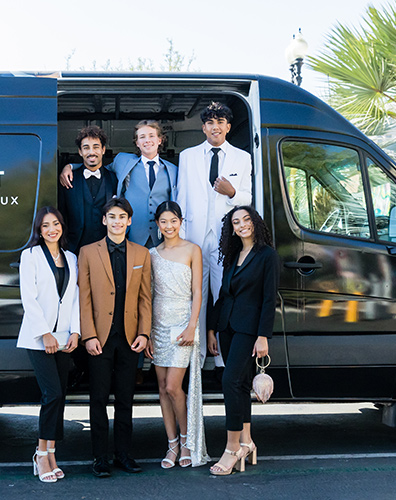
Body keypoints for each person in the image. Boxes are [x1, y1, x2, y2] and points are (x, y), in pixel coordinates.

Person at [78, 197, 152, 477]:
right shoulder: (87, 252)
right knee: (98, 398)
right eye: (112, 216)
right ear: (104, 220)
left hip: (130, 338)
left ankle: (123, 454)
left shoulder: (141, 254)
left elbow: (146, 298)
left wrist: (144, 333)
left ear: (129, 221)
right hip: (99, 338)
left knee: (125, 399)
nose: (117, 221)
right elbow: (83, 298)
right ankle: (100, 457)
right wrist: (88, 335)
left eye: (122, 217)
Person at [175, 102, 253, 367]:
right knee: (194, 294)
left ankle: (221, 361)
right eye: (210, 122)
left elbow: (248, 199)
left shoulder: (242, 158)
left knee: (222, 294)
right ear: (203, 127)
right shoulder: (188, 156)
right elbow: (181, 197)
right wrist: (182, 238)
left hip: (225, 238)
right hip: (195, 237)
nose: (215, 127)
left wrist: (232, 192)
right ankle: (194, 357)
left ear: (228, 127)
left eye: (220, 122)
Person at [207, 206, 278, 476]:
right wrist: (213, 328)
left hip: (250, 330)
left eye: (246, 219)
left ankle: (231, 448)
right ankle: (248, 442)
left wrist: (263, 336)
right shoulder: (233, 255)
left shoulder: (267, 256)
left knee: (229, 381)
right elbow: (223, 294)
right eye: (236, 222)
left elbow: (269, 299)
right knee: (240, 385)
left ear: (255, 222)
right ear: (232, 228)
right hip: (227, 327)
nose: (242, 225)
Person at [17, 206, 80, 483]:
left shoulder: (71, 257)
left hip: (65, 337)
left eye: (56, 224)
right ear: (39, 231)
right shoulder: (29, 256)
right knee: (51, 394)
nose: (52, 229)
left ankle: (51, 453)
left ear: (62, 226)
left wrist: (76, 332)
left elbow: (74, 297)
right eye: (45, 226)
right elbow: (28, 298)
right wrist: (45, 333)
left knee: (60, 397)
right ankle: (41, 455)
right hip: (38, 338)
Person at [146, 201, 209, 468]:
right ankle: (171, 445)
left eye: (173, 221)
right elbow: (148, 295)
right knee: (162, 389)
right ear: (157, 224)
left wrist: (192, 325)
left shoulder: (192, 249)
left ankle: (187, 441)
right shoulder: (151, 253)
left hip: (183, 324)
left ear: (181, 222)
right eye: (164, 221)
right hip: (158, 325)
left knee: (174, 386)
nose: (169, 226)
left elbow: (198, 292)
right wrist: (146, 332)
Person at [61, 120, 177, 248]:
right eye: (142, 137)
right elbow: (96, 166)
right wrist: (70, 166)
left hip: (162, 237)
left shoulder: (173, 170)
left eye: (151, 136)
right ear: (137, 142)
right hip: (131, 237)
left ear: (160, 140)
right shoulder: (123, 161)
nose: (147, 140)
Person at [58, 126, 119, 254]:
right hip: (74, 250)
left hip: (108, 250)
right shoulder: (68, 179)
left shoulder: (114, 179)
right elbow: (62, 214)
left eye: (96, 147)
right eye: (86, 148)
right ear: (80, 151)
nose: (91, 152)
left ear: (103, 150)